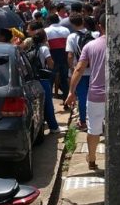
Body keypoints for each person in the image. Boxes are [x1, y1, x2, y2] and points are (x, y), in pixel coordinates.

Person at [66, 14, 107, 171]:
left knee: (94, 129)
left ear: (99, 26)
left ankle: (91, 158)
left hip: (96, 94)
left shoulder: (90, 46)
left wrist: (71, 91)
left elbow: (79, 69)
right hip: (118, 95)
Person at [28, 25, 60, 135]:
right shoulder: (44, 48)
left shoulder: (31, 48)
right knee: (48, 104)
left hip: (33, 80)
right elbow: (50, 64)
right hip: (43, 79)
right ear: (44, 38)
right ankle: (54, 127)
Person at [66, 14, 94, 131]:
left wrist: (72, 69)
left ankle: (83, 122)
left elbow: (70, 55)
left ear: (72, 24)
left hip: (80, 73)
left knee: (82, 98)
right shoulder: (94, 34)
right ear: (83, 21)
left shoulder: (72, 37)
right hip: (94, 71)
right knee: (95, 97)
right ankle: (96, 120)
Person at [45, 14, 71, 100]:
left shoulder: (47, 31)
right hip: (64, 57)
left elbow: (46, 45)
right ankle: (66, 101)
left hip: (52, 57)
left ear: (49, 21)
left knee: (50, 80)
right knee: (64, 80)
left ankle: (49, 102)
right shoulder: (66, 30)